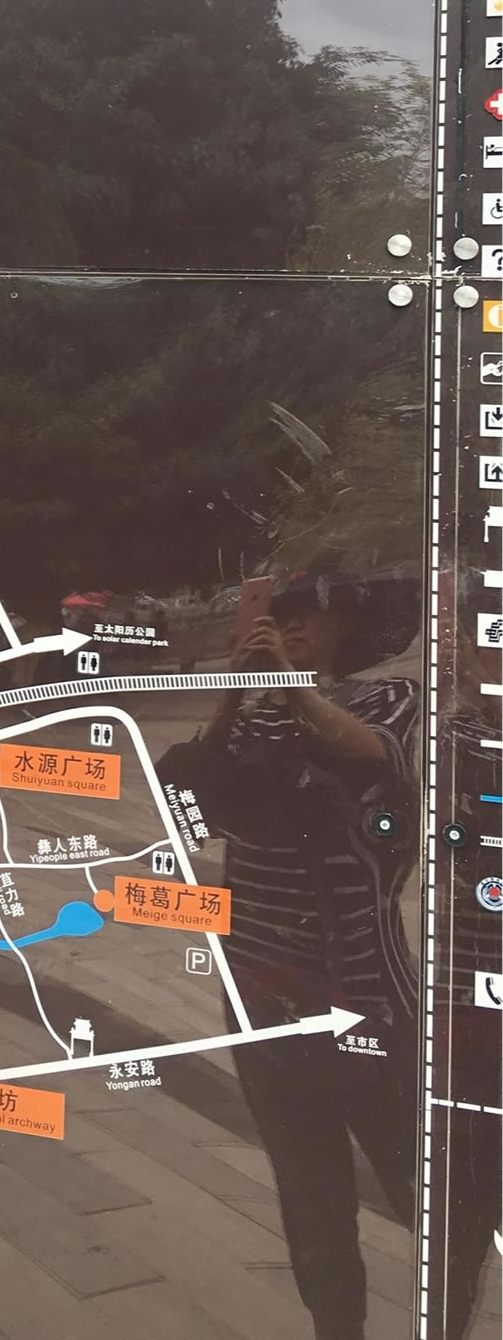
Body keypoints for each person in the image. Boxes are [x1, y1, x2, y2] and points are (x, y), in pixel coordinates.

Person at [160, 570, 420, 1340]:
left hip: (365, 995)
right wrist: (232, 694)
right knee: (310, 1203)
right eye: (278, 614)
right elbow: (183, 815)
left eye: (308, 613)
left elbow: (373, 757)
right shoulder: (246, 720)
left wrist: (290, 687)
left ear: (348, 627)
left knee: (425, 1184)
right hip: (262, 999)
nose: (291, 625)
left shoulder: (387, 699)